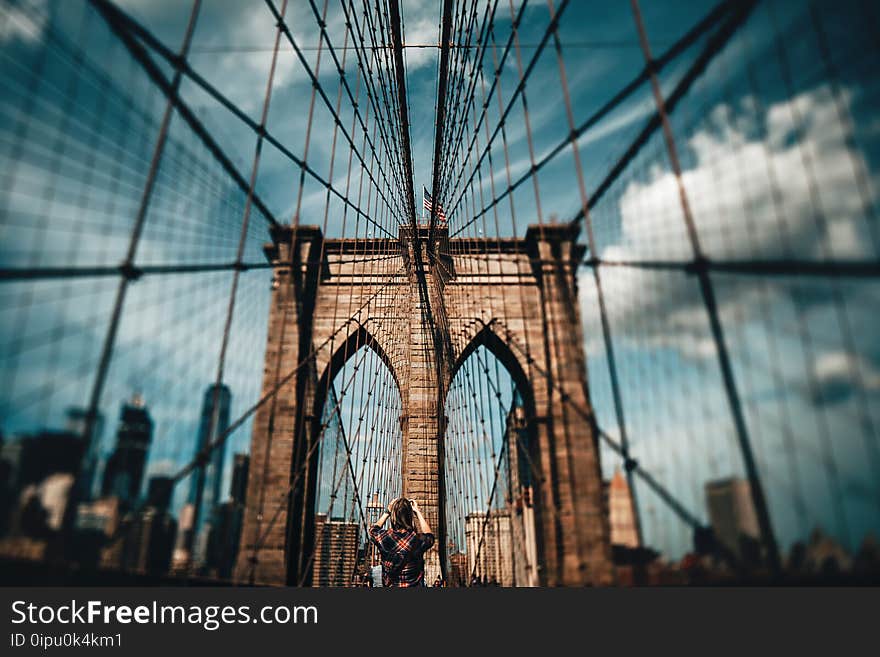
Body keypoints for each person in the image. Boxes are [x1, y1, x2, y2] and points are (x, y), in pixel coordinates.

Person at [368, 497, 435, 587]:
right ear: (410, 516)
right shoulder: (417, 539)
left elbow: (373, 530)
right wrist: (417, 512)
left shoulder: (384, 537)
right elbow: (429, 536)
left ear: (393, 516)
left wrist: (387, 512)